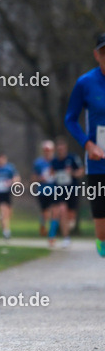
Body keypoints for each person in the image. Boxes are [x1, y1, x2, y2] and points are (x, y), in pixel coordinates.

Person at [64, 33, 105, 258]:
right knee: (102, 229)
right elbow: (70, 119)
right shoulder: (85, 83)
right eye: (104, 52)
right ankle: (101, 242)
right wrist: (87, 144)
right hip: (98, 165)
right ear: (96, 55)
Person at [51, 137, 83, 248]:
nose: (60, 150)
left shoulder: (73, 158)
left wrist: (72, 173)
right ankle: (66, 238)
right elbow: (51, 174)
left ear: (65, 148)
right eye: (58, 148)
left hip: (72, 190)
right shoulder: (54, 161)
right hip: (60, 190)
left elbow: (81, 171)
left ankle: (69, 228)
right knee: (62, 210)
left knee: (71, 216)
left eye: (62, 148)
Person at [0, 153, 20, 239]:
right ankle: (6, 232)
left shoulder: (10, 168)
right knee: (4, 211)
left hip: (8, 192)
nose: (0, 161)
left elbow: (17, 178)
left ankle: (1, 219)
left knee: (9, 213)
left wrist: (11, 181)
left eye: (2, 159)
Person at [32, 140, 57, 241]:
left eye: (50, 150)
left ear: (53, 150)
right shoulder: (38, 163)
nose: (48, 152)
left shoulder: (56, 161)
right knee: (45, 213)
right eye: (46, 150)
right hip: (42, 190)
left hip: (55, 190)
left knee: (54, 212)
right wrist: (40, 178)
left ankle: (51, 235)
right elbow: (33, 178)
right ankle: (43, 225)